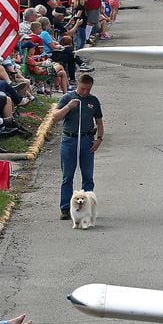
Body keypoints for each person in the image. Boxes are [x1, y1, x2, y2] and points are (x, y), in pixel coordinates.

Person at [52, 74, 105, 220]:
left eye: (88, 89)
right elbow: (55, 116)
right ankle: (65, 208)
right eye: (82, 89)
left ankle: (88, 206)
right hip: (70, 140)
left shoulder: (93, 101)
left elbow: (99, 122)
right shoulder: (67, 98)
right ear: (77, 86)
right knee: (68, 176)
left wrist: (99, 139)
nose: (85, 92)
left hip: (87, 139)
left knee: (88, 176)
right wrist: (69, 107)